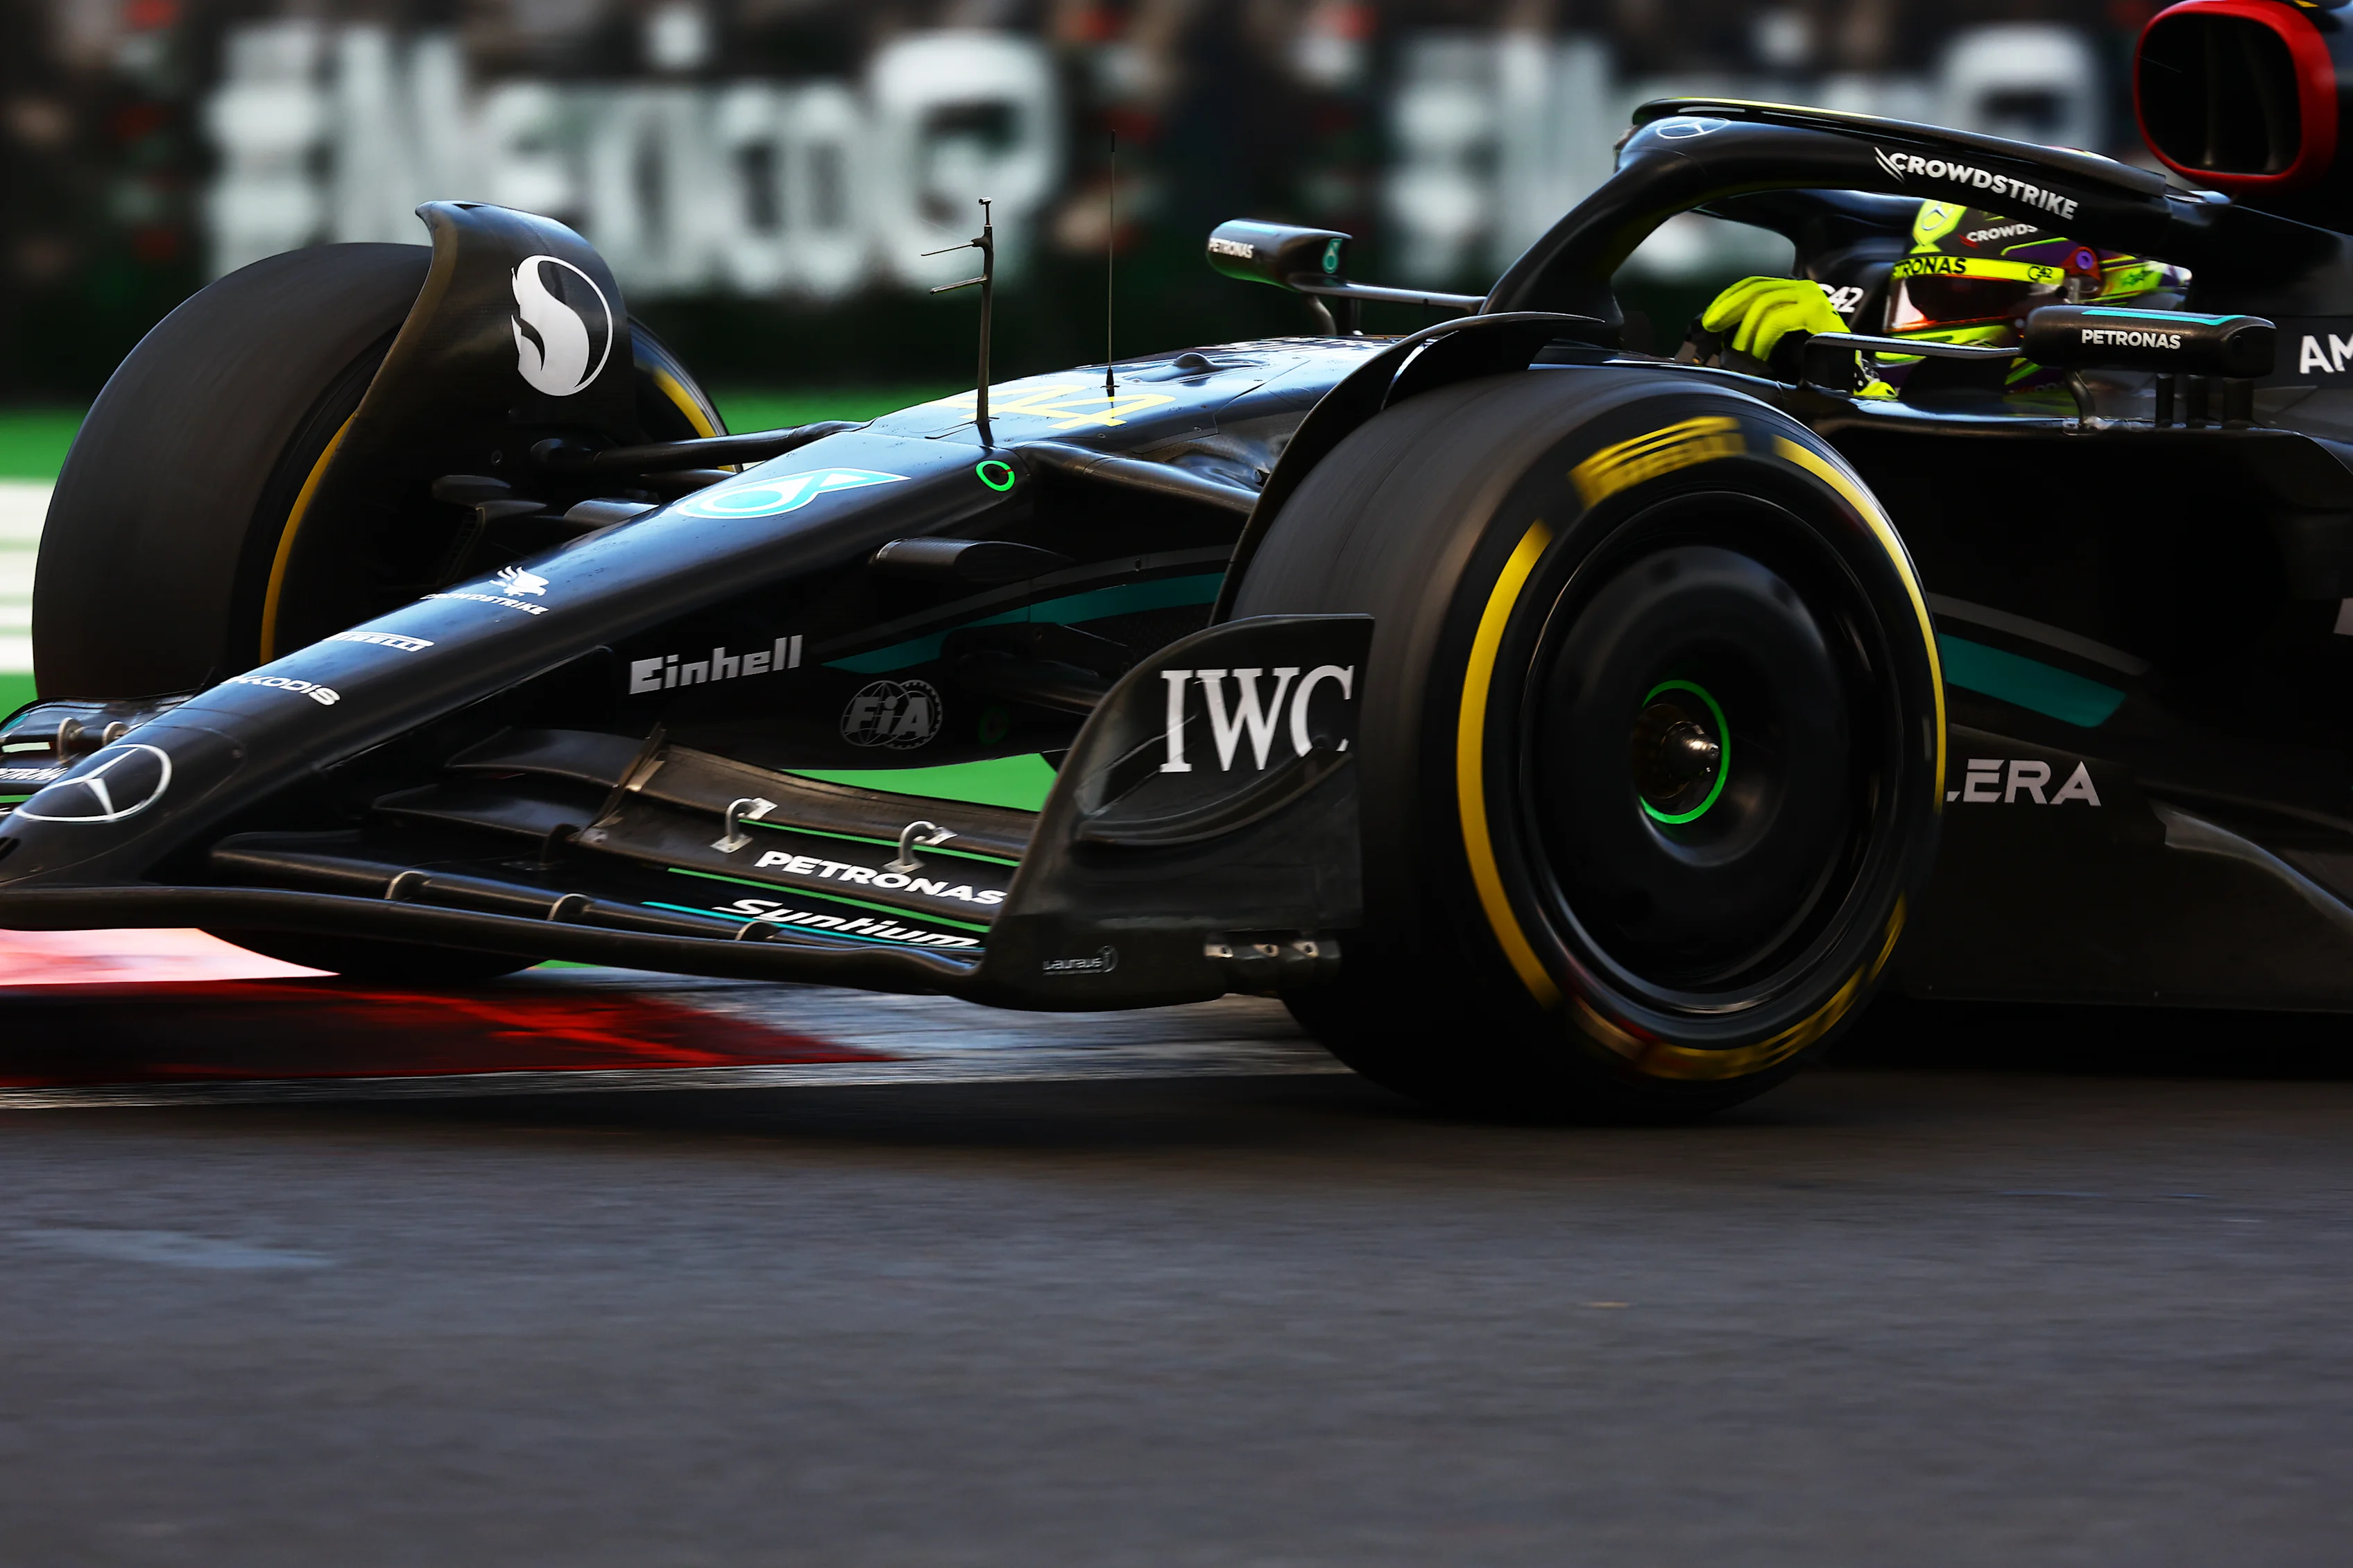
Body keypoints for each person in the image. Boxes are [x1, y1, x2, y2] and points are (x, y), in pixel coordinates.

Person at [1696, 198, 2191, 393]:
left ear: (2073, 292)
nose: (1933, 312)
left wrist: (1857, 391)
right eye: (1925, 293)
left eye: (1964, 293)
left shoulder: (2131, 393)